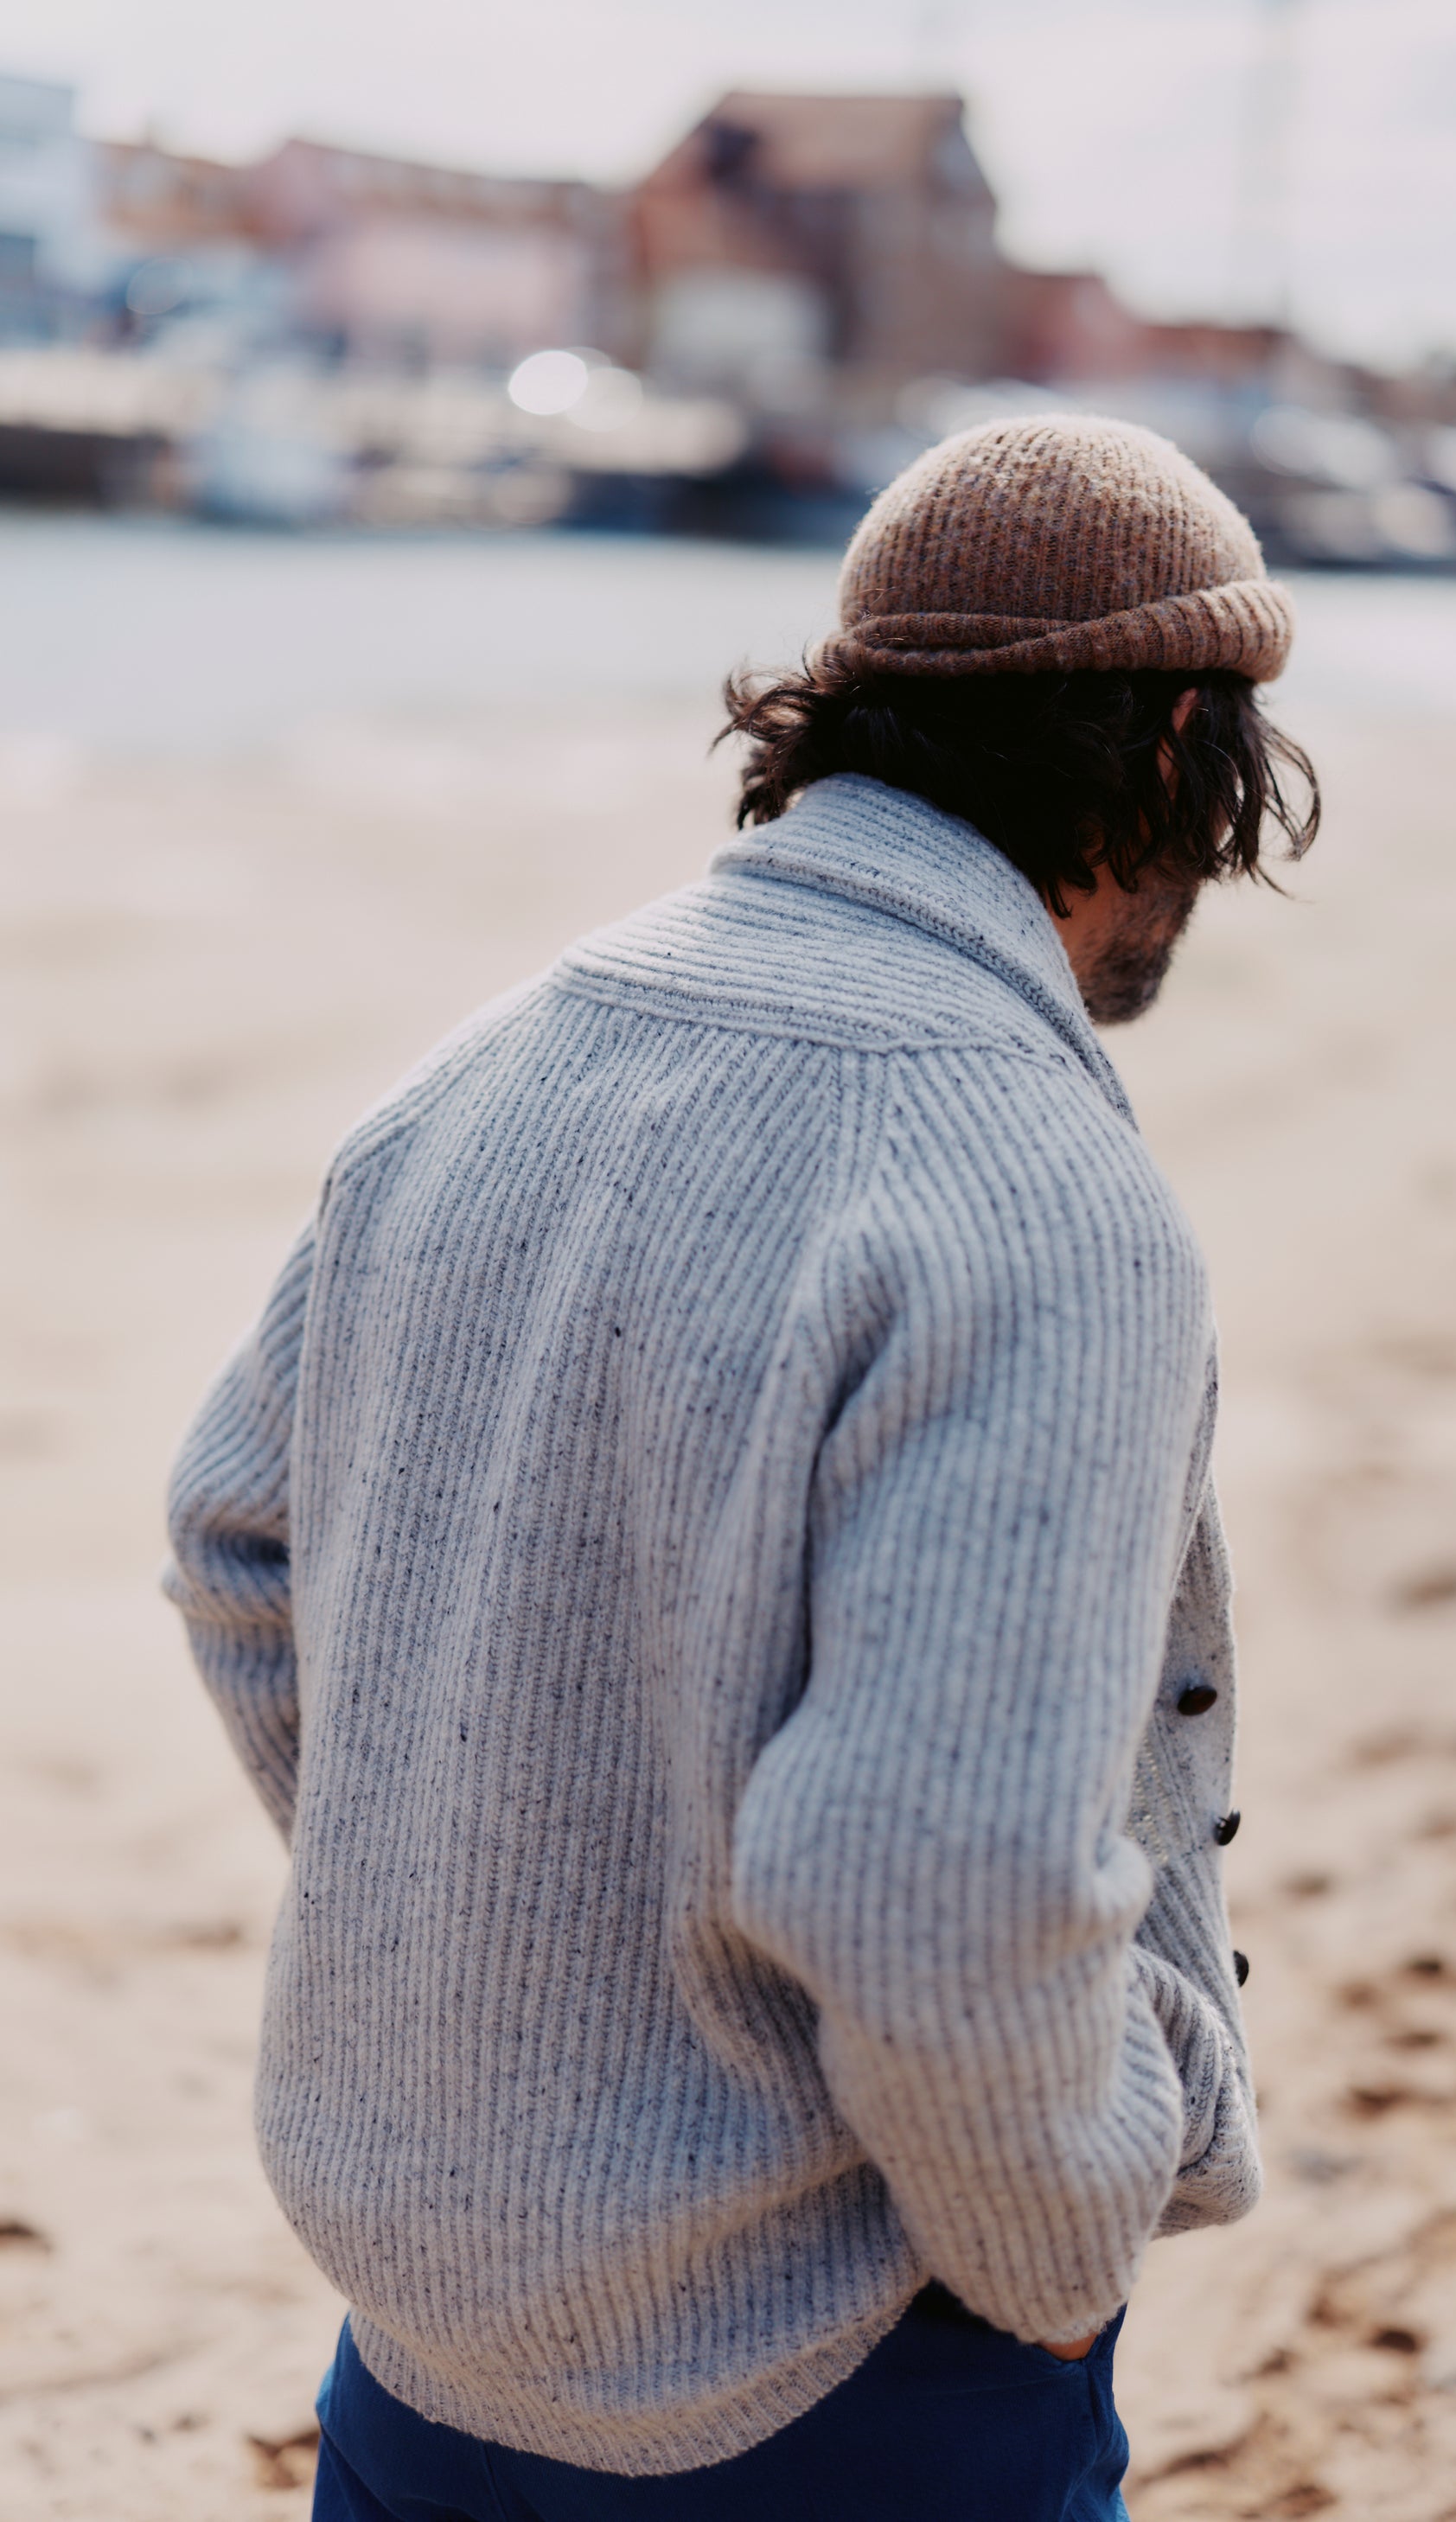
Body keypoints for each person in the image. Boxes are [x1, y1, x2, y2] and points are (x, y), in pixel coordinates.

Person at [165, 416, 1319, 2522]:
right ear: (1173, 741)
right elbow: (933, 1879)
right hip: (840, 2370)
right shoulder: (1037, 1191)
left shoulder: (493, 1062)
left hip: (430, 2329)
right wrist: (1055, 2269)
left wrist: (488, 1954)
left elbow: (237, 1539)